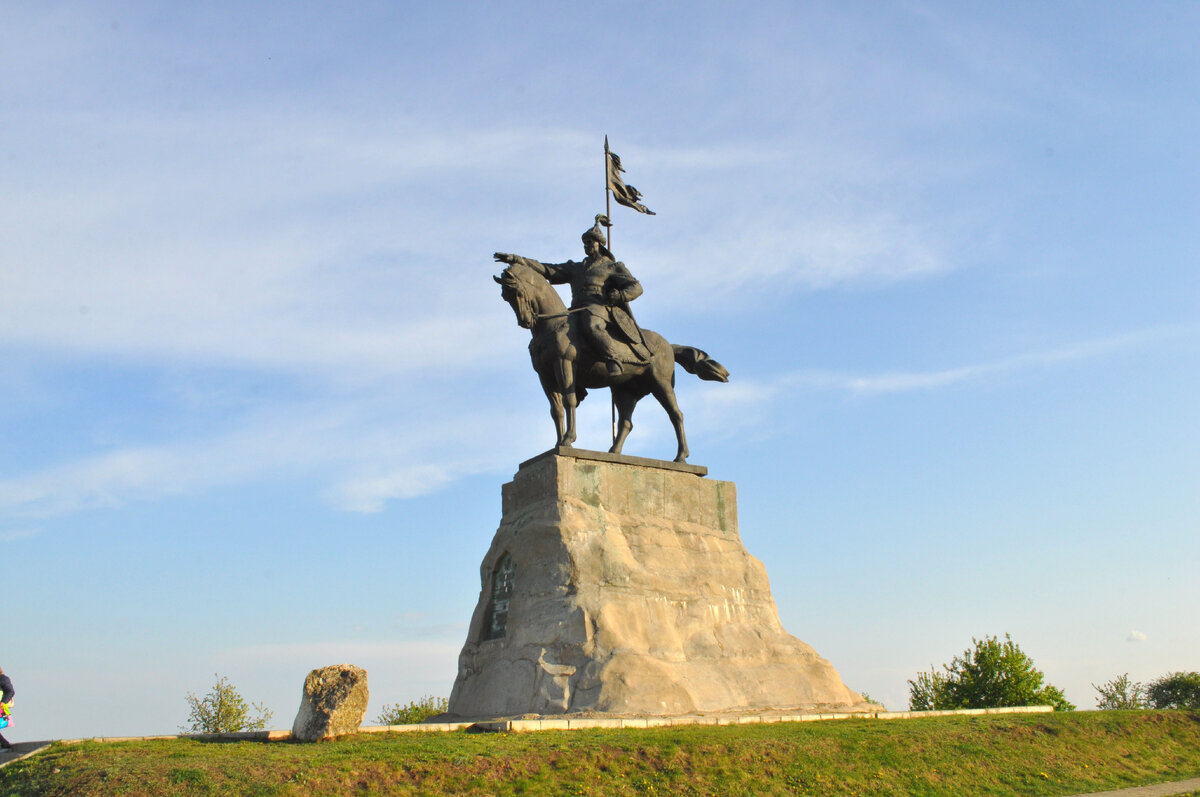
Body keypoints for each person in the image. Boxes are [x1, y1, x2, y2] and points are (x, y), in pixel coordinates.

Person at [495, 214, 648, 376]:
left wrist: (620, 295)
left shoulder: (612, 267)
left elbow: (636, 287)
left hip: (599, 308)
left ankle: (613, 358)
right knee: (559, 335)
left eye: (590, 242)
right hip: (576, 309)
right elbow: (548, 269)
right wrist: (517, 259)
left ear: (600, 244)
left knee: (592, 326)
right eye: (584, 243)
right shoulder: (576, 268)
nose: (587, 246)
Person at [0, 666, 13, 750]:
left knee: (5, 721)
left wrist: (3, 702)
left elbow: (10, 691)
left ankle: (5, 744)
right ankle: (4, 744)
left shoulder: (3, 679)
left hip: (2, 709)